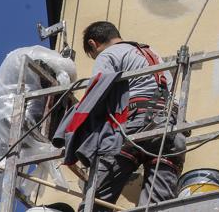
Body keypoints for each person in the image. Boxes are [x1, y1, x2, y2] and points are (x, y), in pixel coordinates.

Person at [67, 21, 184, 205]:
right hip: (171, 127)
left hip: (136, 123)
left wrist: (75, 135)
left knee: (96, 200)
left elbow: (96, 97)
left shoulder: (108, 54)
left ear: (93, 43)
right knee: (158, 205)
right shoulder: (151, 53)